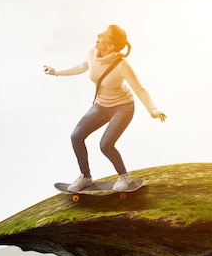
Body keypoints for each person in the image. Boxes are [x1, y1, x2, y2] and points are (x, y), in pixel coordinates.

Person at [43, 24, 166, 192]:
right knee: (76, 136)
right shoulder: (92, 53)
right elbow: (82, 67)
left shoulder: (122, 65)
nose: (99, 34)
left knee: (105, 145)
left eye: (104, 35)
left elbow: (140, 89)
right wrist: (57, 72)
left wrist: (153, 110)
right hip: (101, 105)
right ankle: (85, 177)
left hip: (123, 107)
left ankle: (124, 177)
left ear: (111, 46)